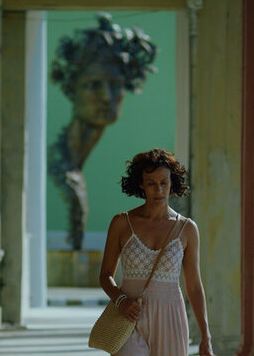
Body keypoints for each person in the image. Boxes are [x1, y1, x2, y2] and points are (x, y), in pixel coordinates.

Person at [49, 13, 157, 250]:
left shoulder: (72, 165)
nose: (106, 97)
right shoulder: (53, 166)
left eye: (115, 85)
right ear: (71, 87)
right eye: (92, 85)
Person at [99, 148, 214, 356]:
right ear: (141, 185)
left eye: (164, 183)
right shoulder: (121, 223)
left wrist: (206, 336)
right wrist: (121, 301)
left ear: (172, 184)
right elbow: (105, 275)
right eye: (151, 183)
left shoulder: (187, 229)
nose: (158, 190)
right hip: (128, 317)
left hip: (171, 318)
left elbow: (194, 287)